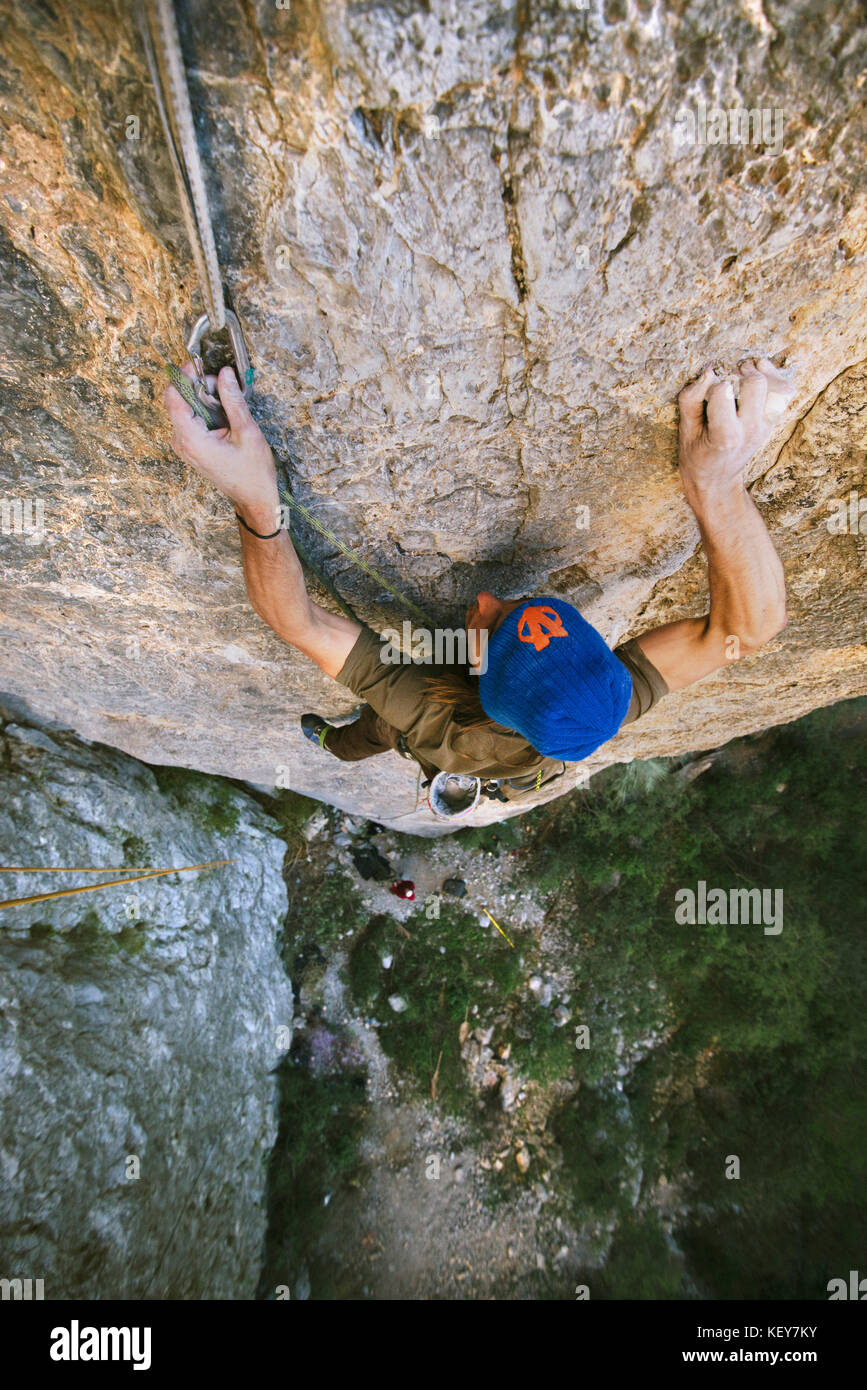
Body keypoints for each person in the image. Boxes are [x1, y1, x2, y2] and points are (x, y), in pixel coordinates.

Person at [164, 357, 791, 799]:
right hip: (511, 762)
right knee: (383, 726)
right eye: (519, 608)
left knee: (368, 736)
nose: (486, 599)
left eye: (487, 626)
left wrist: (256, 503)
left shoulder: (426, 711)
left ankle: (325, 742)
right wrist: (714, 484)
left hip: (423, 732)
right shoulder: (599, 703)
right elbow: (750, 629)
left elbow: (295, 622)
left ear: (480, 676)